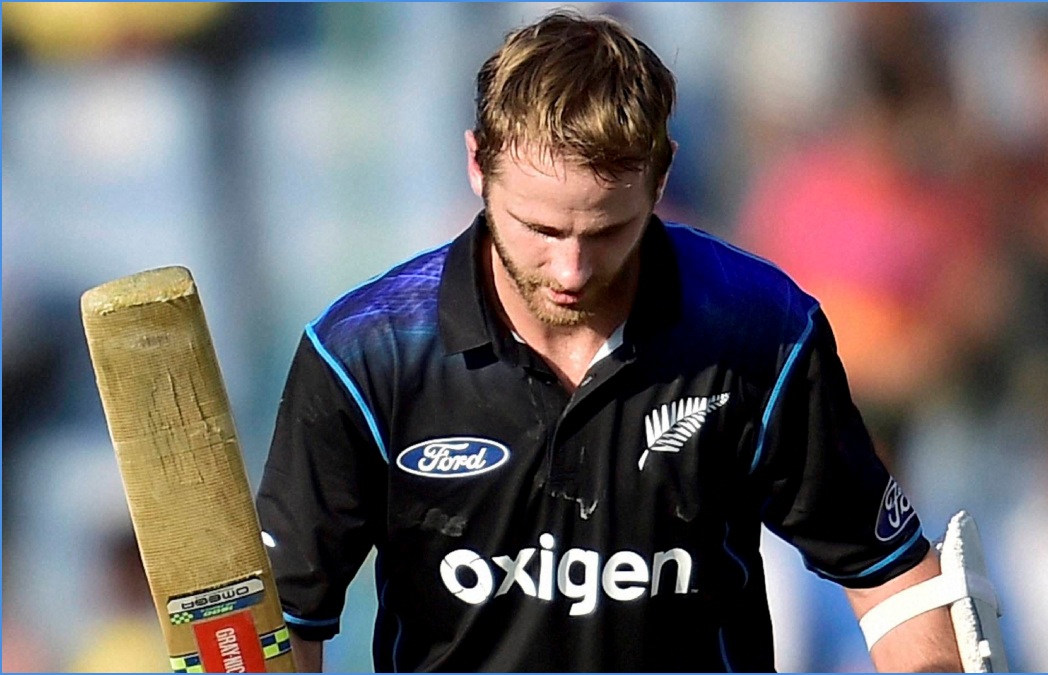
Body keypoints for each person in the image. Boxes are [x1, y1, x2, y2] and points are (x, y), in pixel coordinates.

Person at [255, 10, 962, 672]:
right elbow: (281, 625)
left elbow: (888, 572)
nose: (571, 270)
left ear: (661, 177)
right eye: (540, 229)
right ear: (476, 166)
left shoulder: (758, 330)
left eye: (606, 231)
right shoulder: (365, 354)